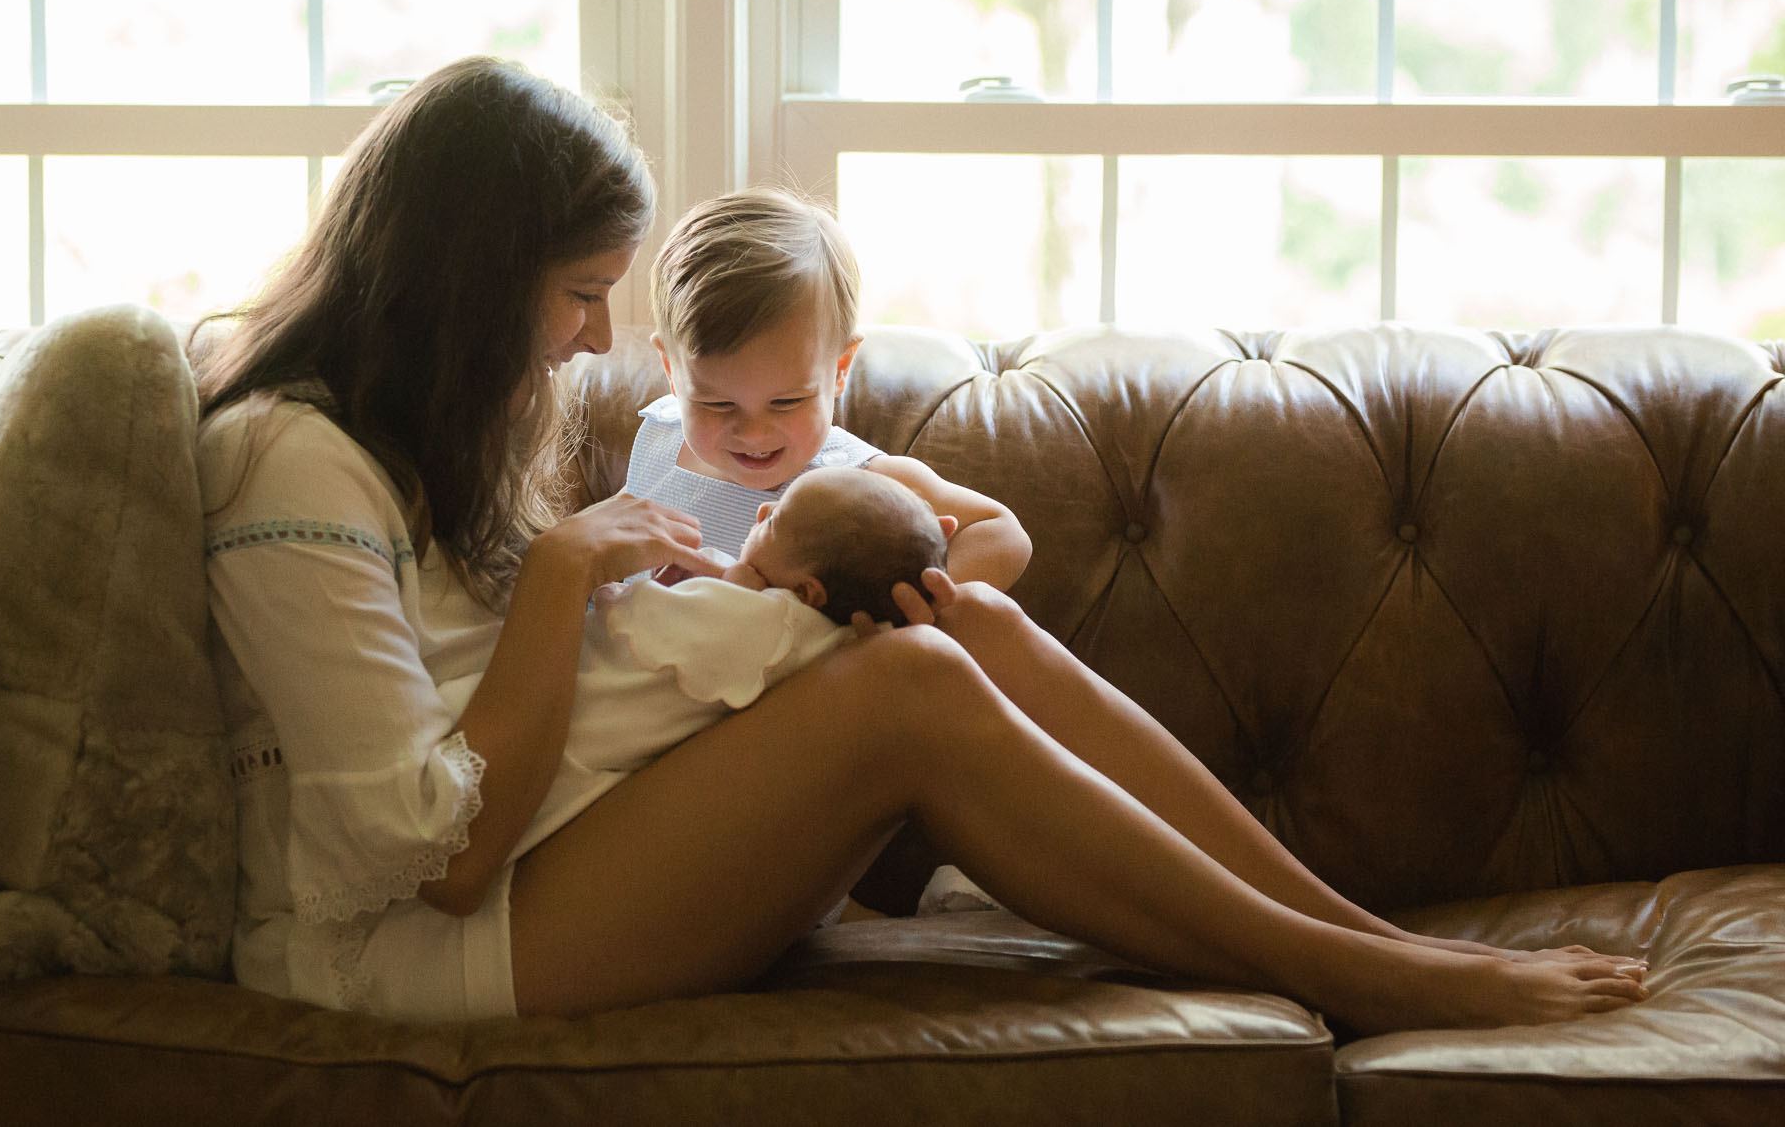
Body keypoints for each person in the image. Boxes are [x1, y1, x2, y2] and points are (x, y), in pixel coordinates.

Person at [194, 54, 1649, 1033]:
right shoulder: (289, 460)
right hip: (417, 948)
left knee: (962, 623)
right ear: (464, 280)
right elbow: (430, 857)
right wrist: (570, 569)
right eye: (576, 294)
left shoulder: (420, 434)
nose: (591, 338)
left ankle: (1373, 937)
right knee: (908, 685)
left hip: (548, 847)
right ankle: (1362, 974)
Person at [630, 188, 1031, 589]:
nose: (754, 433)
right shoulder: (660, 437)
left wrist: (908, 617)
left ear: (840, 368)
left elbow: (1001, 533)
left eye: (786, 401)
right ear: (671, 369)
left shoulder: (852, 482)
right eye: (715, 403)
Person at [567, 465, 948, 783]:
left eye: (776, 520)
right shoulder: (842, 640)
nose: (762, 510)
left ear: (804, 591)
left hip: (572, 744)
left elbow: (628, 617)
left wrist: (609, 586)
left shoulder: (764, 615)